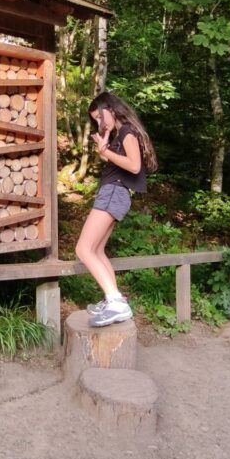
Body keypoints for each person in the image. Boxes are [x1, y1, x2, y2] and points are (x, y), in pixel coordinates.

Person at [75, 91, 157, 327]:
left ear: (110, 109)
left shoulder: (128, 132)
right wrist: (105, 146)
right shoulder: (121, 133)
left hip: (114, 192)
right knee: (98, 250)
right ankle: (115, 299)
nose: (99, 123)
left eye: (100, 117)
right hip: (116, 193)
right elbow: (118, 163)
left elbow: (133, 166)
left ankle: (116, 304)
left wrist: (104, 150)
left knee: (83, 249)